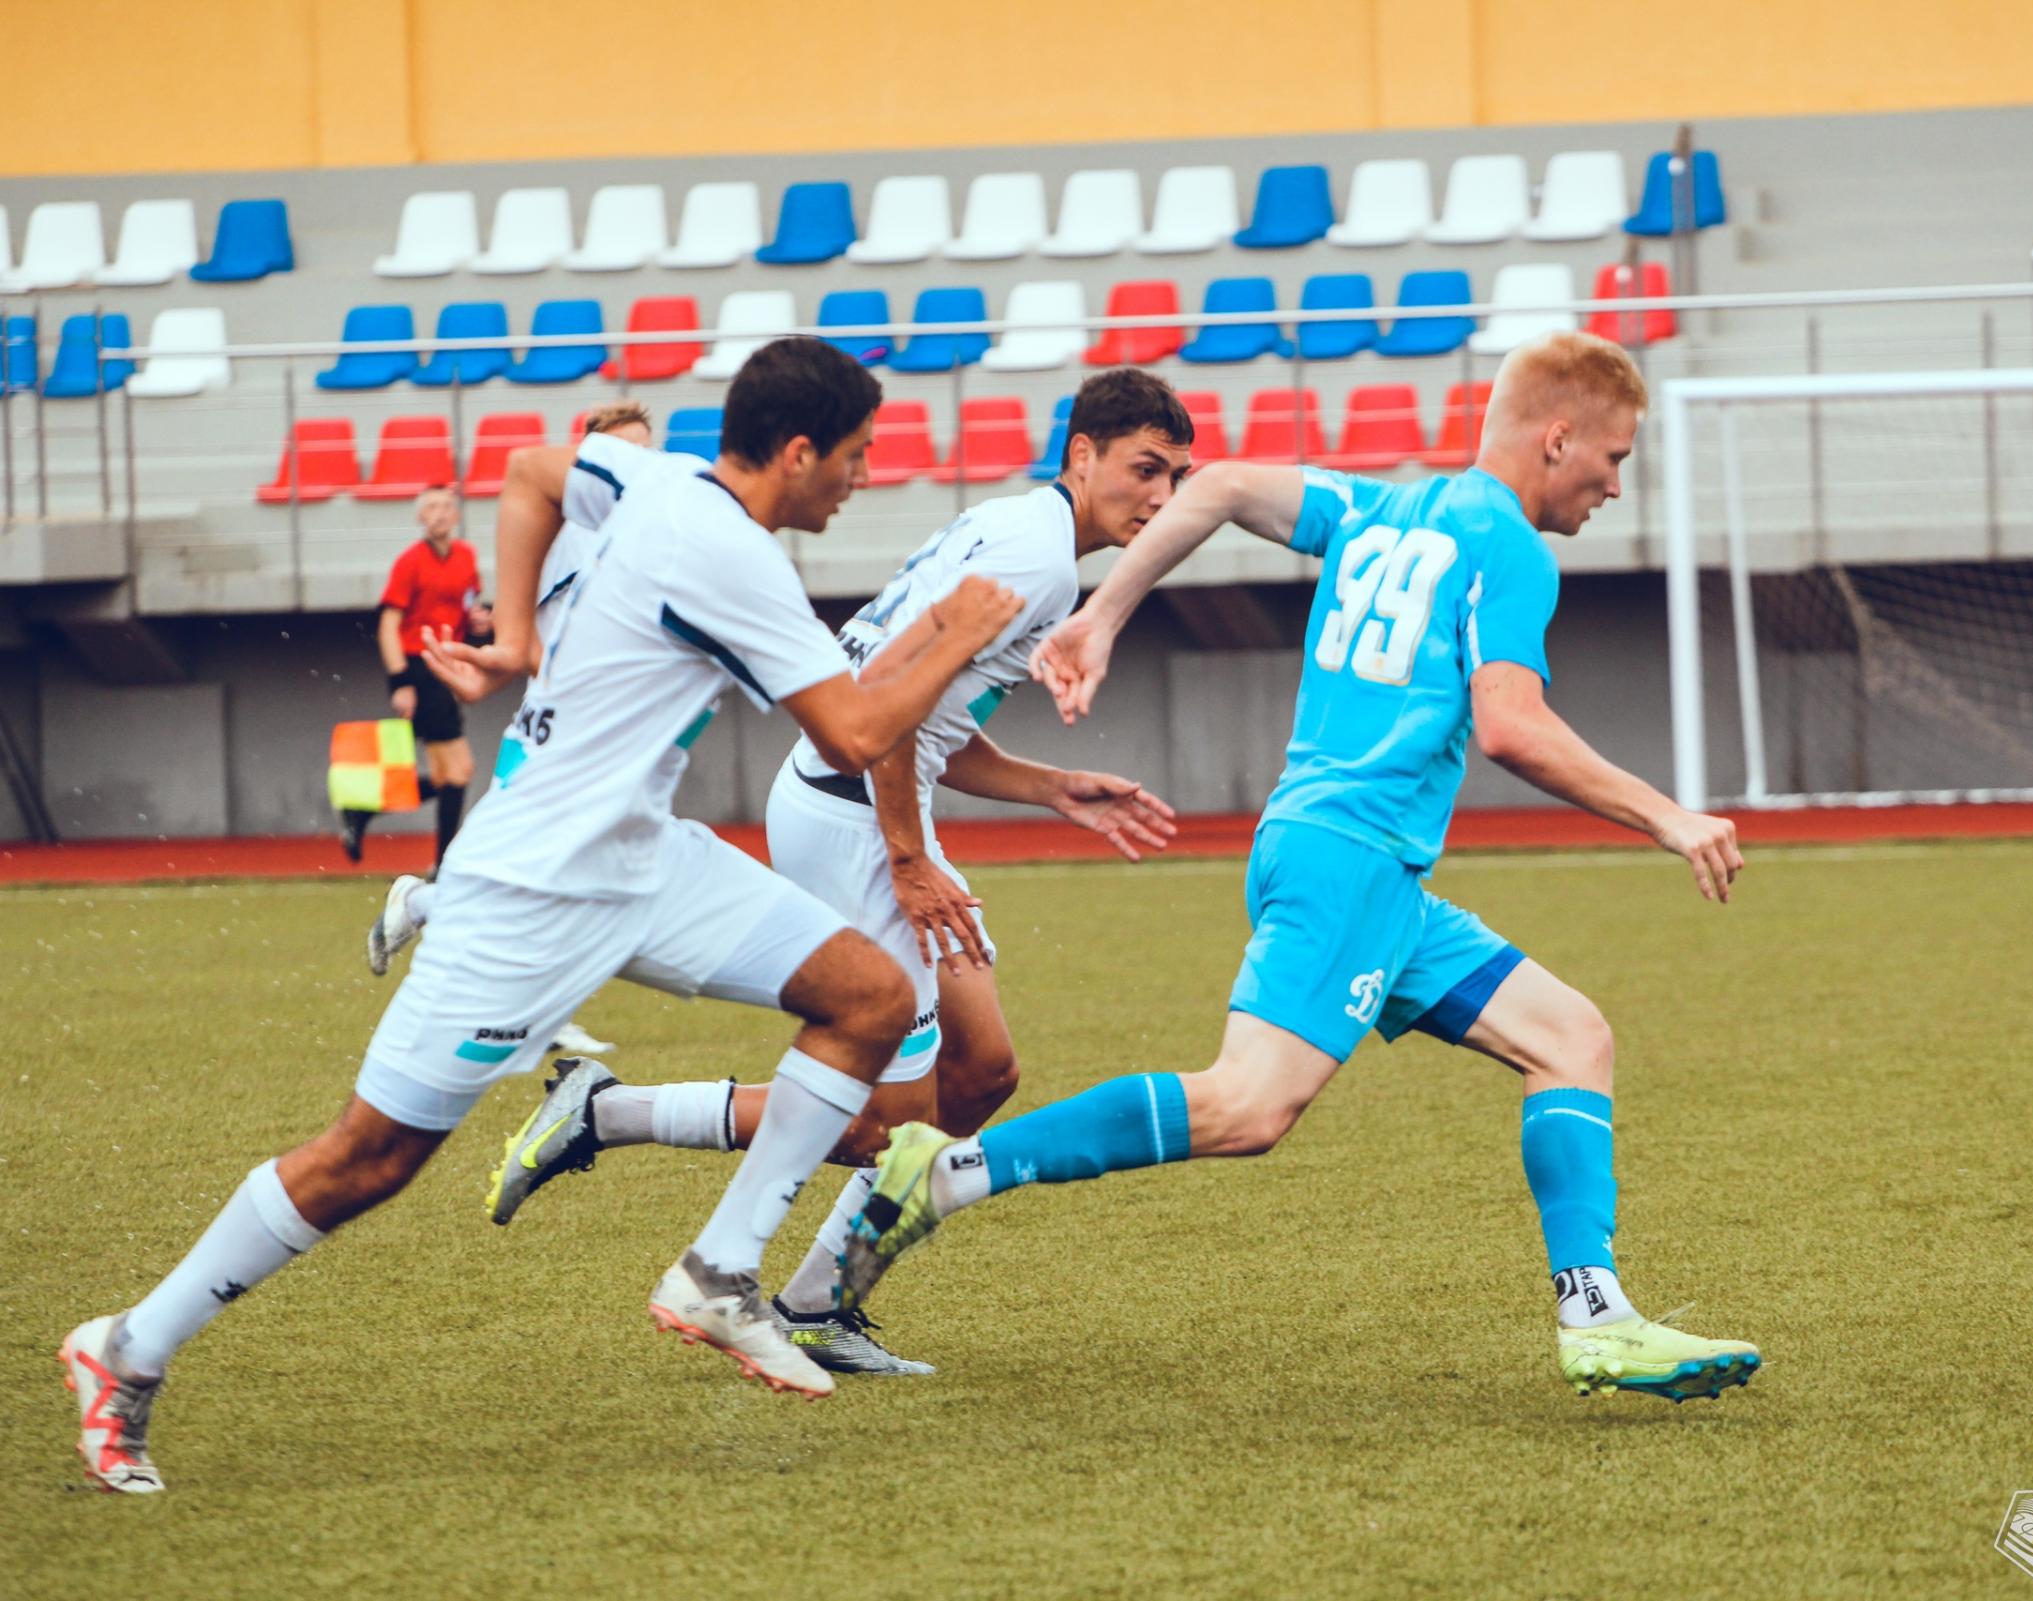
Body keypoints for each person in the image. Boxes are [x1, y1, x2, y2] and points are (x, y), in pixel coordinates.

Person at [57, 338, 1025, 1493]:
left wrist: (516, 636)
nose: (864, 477)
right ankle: (127, 1347)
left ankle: (720, 1270)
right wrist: (958, 631)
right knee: (368, 1157)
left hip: (644, 860)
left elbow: (527, 472)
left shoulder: (653, 476)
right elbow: (857, 735)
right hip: (533, 892)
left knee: (871, 993)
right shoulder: (732, 556)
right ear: (801, 450)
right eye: (857, 455)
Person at [835, 332, 1763, 1404]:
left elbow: (1223, 485)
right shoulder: (1509, 547)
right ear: (1558, 439)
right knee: (1245, 1107)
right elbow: (1511, 725)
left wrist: (1103, 614)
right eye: (1614, 456)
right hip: (1350, 861)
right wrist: (1667, 815)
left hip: (1360, 868)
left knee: (1571, 1036)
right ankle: (950, 1168)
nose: (1616, 483)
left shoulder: (1382, 507)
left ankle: (1596, 1315)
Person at [479, 370, 1192, 1376]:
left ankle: (819, 1299)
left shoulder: (1022, 532)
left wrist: (1050, 787)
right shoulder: (1037, 560)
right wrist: (906, 858)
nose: (1162, 497)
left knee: (982, 1071)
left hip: (863, 802)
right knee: (882, 1122)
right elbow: (883, 696)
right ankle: (605, 1114)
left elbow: (925, 721)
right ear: (1083, 455)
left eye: (1178, 478)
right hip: (854, 815)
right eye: (1145, 469)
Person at [367, 401, 657, 1059]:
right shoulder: (572, 535)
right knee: (553, 876)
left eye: (647, 452)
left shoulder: (632, 534)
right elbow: (528, 642)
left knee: (559, 877)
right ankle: (437, 923)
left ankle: (439, 919)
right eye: (623, 452)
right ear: (588, 462)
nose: (638, 466)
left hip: (594, 735)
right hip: (562, 732)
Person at [341, 484, 484, 868]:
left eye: (447, 506)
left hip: (446, 666)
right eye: (432, 507)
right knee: (459, 771)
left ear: (457, 515)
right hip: (420, 667)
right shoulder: (410, 562)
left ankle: (362, 810)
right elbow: (389, 626)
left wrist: (478, 620)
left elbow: (468, 607)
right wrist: (401, 682)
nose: (440, 513)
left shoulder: (467, 556)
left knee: (446, 777)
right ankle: (443, 865)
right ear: (420, 517)